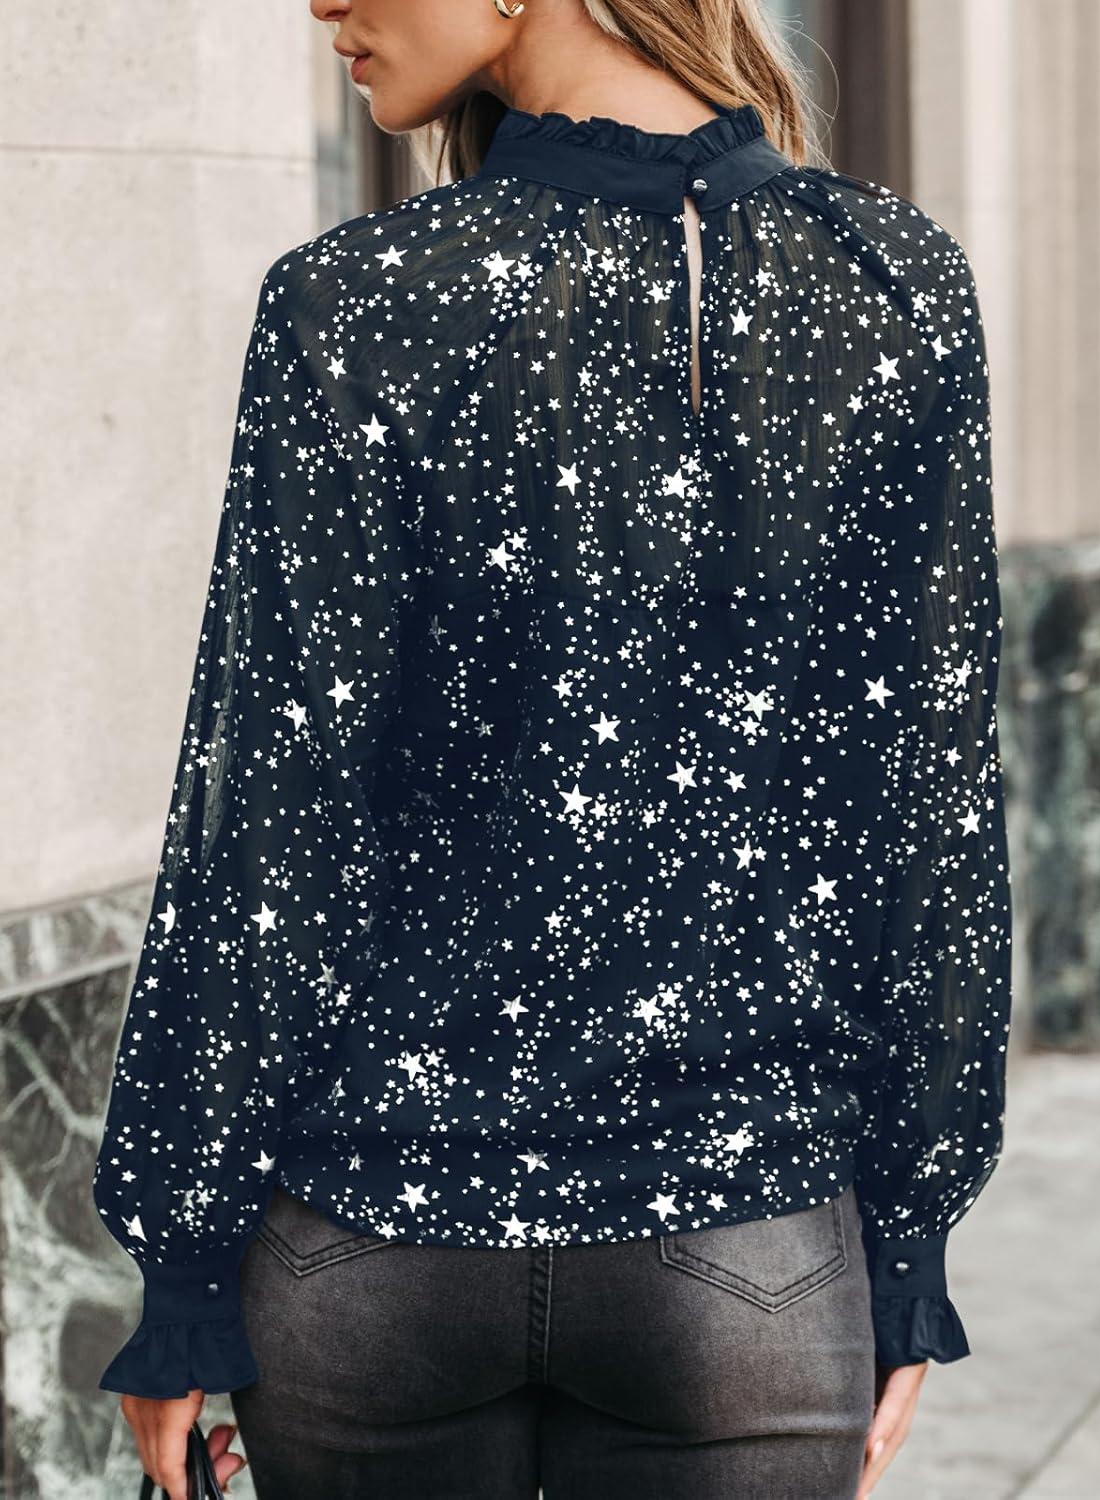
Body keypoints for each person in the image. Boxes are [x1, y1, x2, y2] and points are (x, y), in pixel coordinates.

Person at [90, 1, 1013, 1497]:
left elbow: (270, 824)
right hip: (745, 1246)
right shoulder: (887, 285)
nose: (322, 2)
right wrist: (908, 1243)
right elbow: (928, 820)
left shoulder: (356, 297)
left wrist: (185, 1264)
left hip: (370, 1243)